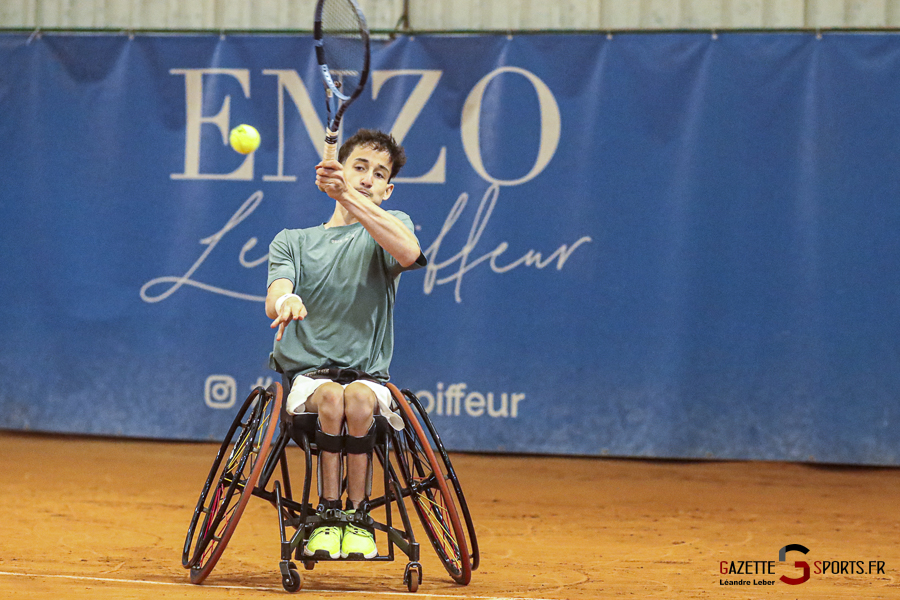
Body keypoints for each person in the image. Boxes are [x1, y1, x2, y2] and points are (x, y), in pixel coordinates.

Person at [265, 129, 426, 560]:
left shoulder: (392, 228)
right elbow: (275, 293)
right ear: (341, 170)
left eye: (379, 174)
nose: (369, 178)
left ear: (388, 189)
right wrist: (287, 298)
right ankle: (327, 512)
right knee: (333, 396)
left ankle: (357, 518)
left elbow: (409, 253)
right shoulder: (292, 241)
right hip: (308, 379)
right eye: (359, 168)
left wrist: (349, 195)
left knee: (354, 396)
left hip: (367, 378)